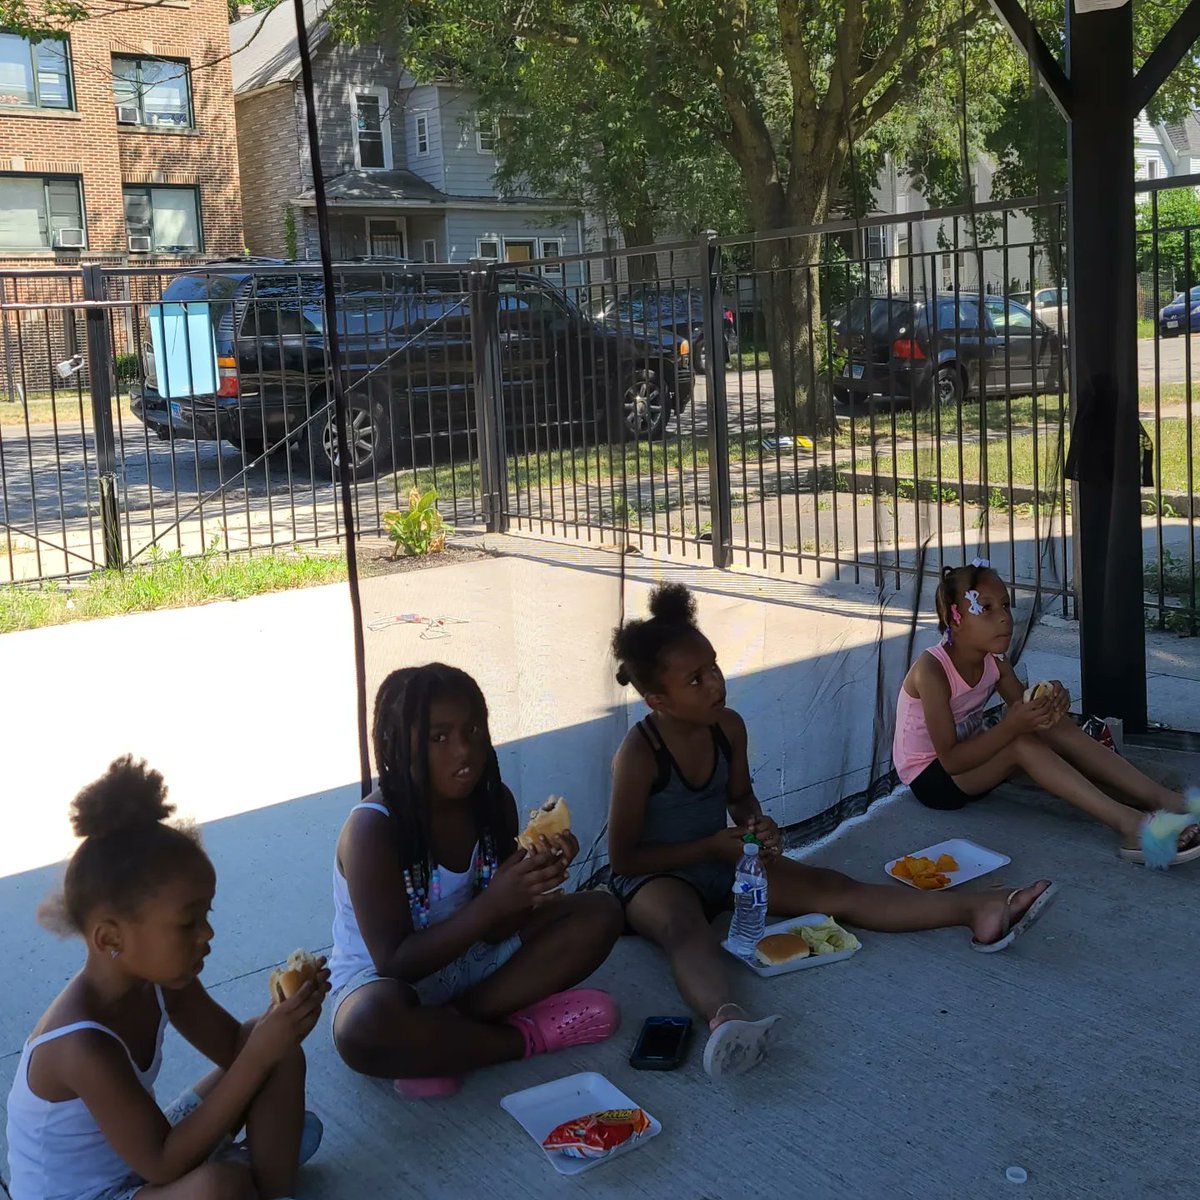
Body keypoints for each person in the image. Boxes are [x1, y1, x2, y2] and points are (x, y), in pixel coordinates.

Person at [608, 583, 1056, 1081]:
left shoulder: (727, 727)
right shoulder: (640, 752)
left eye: (713, 666)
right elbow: (624, 859)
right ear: (656, 699)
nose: (715, 683)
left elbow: (738, 798)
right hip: (654, 878)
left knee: (832, 888)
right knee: (684, 929)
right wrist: (709, 846)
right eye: (695, 680)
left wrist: (756, 825)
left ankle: (978, 909)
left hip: (720, 859)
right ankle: (726, 1019)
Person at [6, 756, 327, 1200]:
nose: (208, 934)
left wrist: (283, 1019)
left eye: (206, 915)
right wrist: (257, 1056)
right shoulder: (81, 1045)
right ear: (110, 938)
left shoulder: (162, 982)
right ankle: (246, 1173)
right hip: (104, 1187)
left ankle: (273, 1192)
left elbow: (239, 1049)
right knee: (221, 1187)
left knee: (277, 1051)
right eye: (187, 922)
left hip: (140, 1164)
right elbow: (161, 1160)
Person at [330, 664, 624, 1099]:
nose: (463, 750)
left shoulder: (493, 804)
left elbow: (501, 927)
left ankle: (447, 1037)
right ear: (397, 745)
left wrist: (530, 883)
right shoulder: (373, 830)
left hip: (470, 966)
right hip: (385, 984)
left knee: (601, 912)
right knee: (365, 1029)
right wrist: (492, 905)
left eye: (473, 730)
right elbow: (395, 962)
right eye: (439, 737)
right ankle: (522, 1039)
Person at [896, 558, 1200, 867]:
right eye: (985, 608)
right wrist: (1014, 725)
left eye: (1005, 605)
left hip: (975, 760)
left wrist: (1051, 703)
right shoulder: (932, 671)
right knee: (1022, 744)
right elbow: (951, 759)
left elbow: (1023, 707)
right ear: (954, 617)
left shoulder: (994, 660)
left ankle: (1164, 799)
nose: (1003, 618)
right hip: (934, 779)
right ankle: (1132, 827)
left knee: (1050, 727)